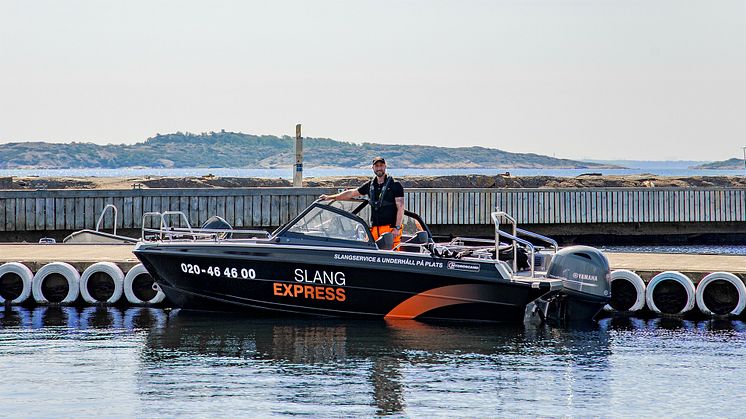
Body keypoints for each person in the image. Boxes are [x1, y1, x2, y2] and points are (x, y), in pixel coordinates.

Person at [320, 157, 405, 249]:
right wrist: (330, 197)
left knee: (391, 255)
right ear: (373, 168)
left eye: (381, 165)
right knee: (372, 253)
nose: (379, 168)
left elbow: (400, 207)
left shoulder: (395, 185)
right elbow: (351, 193)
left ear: (385, 166)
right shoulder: (370, 185)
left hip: (390, 229)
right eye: (376, 166)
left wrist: (397, 228)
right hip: (375, 228)